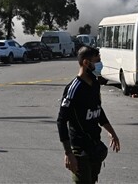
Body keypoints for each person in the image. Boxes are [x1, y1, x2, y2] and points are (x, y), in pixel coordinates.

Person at [56, 46, 120, 184]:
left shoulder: (95, 84)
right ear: (86, 63)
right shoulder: (74, 89)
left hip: (95, 146)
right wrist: (68, 153)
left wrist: (111, 132)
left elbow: (98, 110)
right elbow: (61, 121)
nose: (100, 65)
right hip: (80, 150)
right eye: (97, 61)